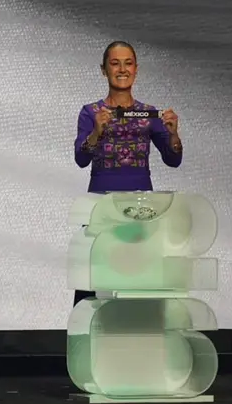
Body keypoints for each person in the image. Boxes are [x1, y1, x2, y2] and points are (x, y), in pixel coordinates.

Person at [73, 41, 183, 305]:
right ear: (104, 70)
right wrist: (97, 132)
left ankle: (142, 337)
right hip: (100, 207)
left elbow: (173, 159)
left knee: (141, 277)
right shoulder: (91, 113)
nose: (122, 69)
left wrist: (173, 134)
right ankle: (83, 337)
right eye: (115, 63)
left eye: (128, 63)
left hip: (140, 208)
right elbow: (80, 158)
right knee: (90, 279)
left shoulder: (150, 114)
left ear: (136, 69)